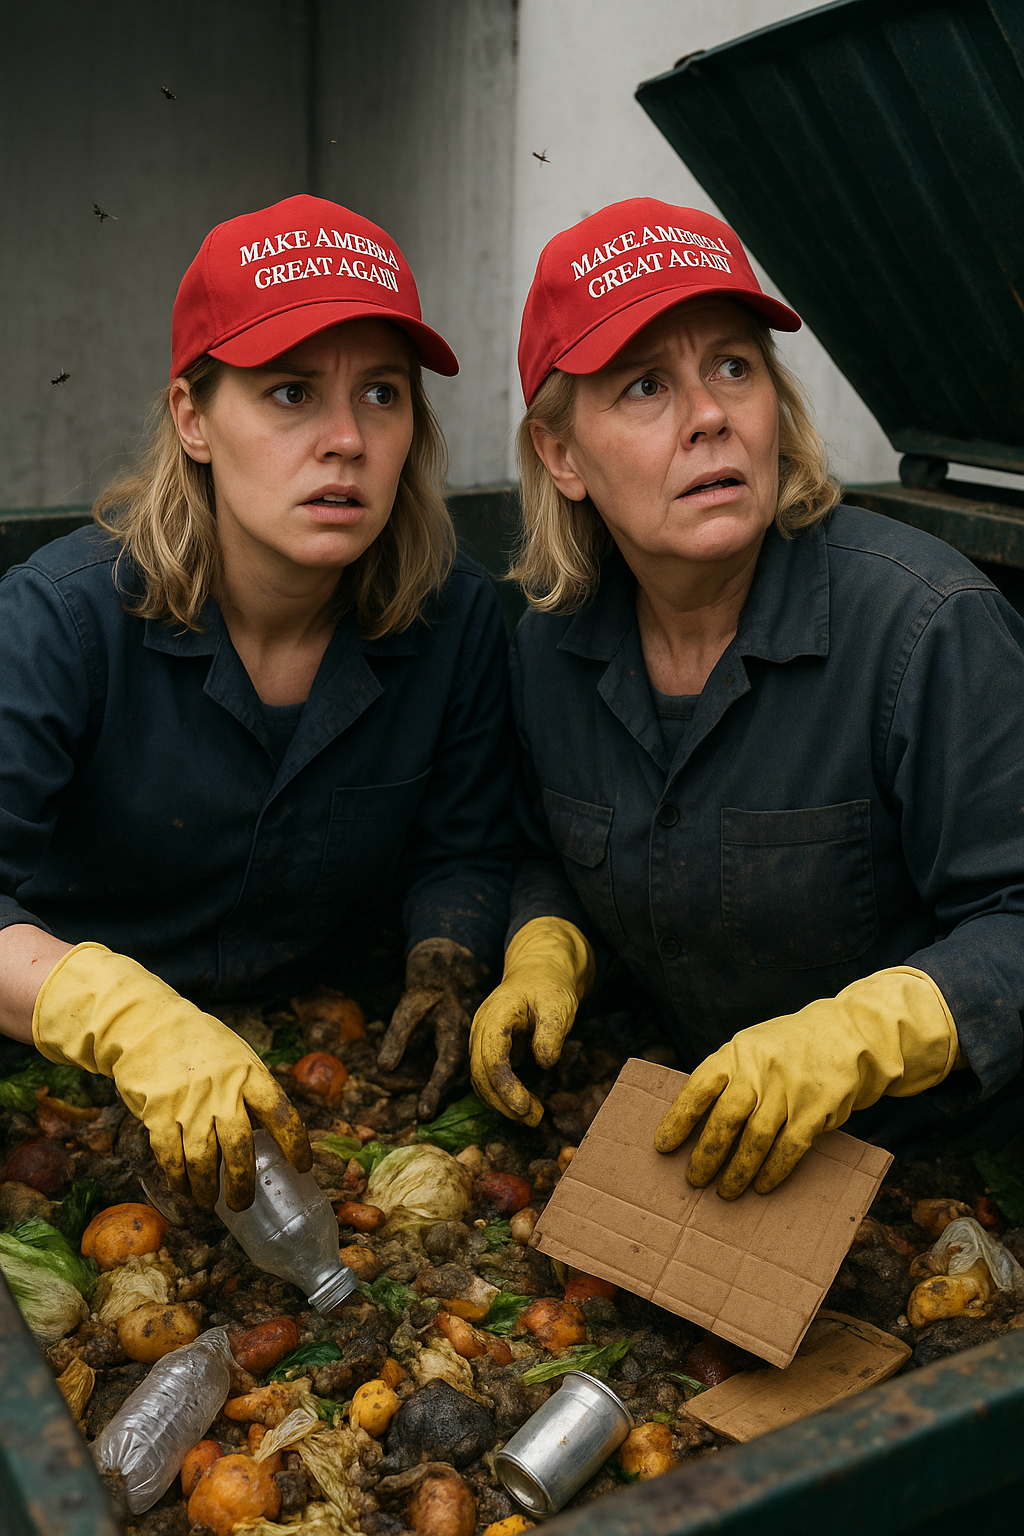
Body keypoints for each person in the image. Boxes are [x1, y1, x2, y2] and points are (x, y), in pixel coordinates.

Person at [470, 196, 1024, 1198]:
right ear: (561, 455)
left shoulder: (927, 628)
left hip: (943, 1170)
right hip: (708, 1160)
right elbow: (545, 852)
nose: (710, 415)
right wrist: (546, 952)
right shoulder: (552, 648)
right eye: (646, 386)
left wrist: (854, 1038)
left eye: (733, 366)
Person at [0, 195, 516, 1211]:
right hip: (58, 1085)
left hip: (309, 1067)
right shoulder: (60, 623)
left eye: (381, 394)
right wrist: (124, 1018)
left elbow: (465, 846)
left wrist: (444, 962)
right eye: (289, 393)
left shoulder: (454, 619)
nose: (346, 439)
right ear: (193, 418)